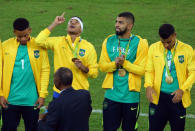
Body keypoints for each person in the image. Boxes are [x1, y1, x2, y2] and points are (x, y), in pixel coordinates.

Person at [99, 12, 148, 131]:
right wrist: (115, 64)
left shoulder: (140, 43)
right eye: (116, 22)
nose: (117, 25)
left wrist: (125, 64)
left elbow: (142, 70)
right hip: (111, 95)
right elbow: (102, 66)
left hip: (130, 97)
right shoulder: (109, 41)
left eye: (121, 22)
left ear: (130, 26)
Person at [0, 18, 50, 131]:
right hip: (10, 100)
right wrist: (1, 94)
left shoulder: (39, 46)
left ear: (30, 30)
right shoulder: (5, 46)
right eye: (19, 36)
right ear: (14, 33)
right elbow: (0, 71)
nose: (23, 39)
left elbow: (45, 70)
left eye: (25, 35)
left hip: (32, 101)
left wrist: (42, 95)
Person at [35, 13, 98, 99]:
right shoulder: (58, 42)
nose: (72, 23)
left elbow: (94, 73)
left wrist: (83, 67)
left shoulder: (89, 47)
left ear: (81, 30)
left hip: (79, 92)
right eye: (70, 21)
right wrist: (55, 23)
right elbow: (38, 41)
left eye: (76, 22)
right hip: (60, 92)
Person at [145, 24, 195, 131]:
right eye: (163, 42)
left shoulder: (187, 49)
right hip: (158, 98)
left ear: (175, 35)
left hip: (177, 99)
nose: (166, 45)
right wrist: (148, 85)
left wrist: (182, 89)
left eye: (169, 42)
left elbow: (193, 72)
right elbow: (149, 70)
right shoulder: (153, 48)